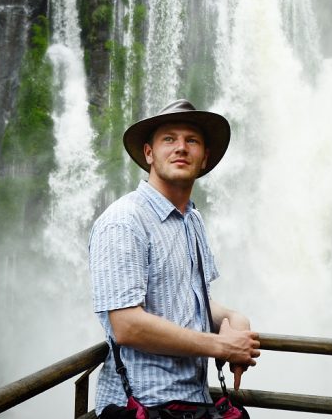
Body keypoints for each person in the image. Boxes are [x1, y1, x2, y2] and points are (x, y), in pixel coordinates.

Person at [89, 99, 260, 418]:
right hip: (144, 405)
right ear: (149, 153)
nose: (181, 147)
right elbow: (127, 325)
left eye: (191, 140)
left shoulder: (192, 220)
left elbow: (192, 303)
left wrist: (233, 319)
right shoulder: (124, 221)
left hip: (194, 404)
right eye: (169, 139)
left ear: (204, 157)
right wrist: (221, 346)